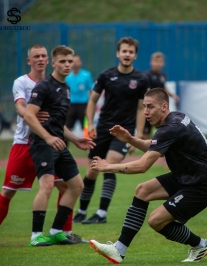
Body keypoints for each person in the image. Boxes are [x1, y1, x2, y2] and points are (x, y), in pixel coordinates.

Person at [88, 88, 207, 263]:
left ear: (164, 106)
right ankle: (118, 249)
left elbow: (142, 166)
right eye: (144, 107)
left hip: (204, 183)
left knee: (156, 221)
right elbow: (155, 145)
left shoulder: (170, 128)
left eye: (150, 107)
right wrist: (130, 139)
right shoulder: (176, 118)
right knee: (143, 190)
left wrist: (107, 167)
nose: (146, 112)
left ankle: (200, 245)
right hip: (189, 175)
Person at [0, 44, 83, 248]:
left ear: (48, 61)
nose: (40, 59)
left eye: (43, 56)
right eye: (36, 56)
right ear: (29, 61)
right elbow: (21, 108)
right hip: (26, 143)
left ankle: (63, 232)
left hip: (51, 141)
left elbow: (57, 122)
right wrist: (32, 115)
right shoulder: (23, 82)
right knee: (8, 190)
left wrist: (75, 139)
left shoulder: (60, 85)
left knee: (66, 186)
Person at [73, 37, 150, 224]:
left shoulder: (141, 79)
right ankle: (82, 211)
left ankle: (101, 214)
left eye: (131, 52)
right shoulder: (106, 75)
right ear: (118, 53)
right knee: (92, 171)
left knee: (109, 165)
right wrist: (90, 124)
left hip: (124, 132)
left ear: (135, 56)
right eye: (124, 51)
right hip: (102, 128)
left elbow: (141, 108)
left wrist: (138, 135)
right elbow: (92, 100)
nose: (127, 54)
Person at [24, 45, 95, 246]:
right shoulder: (44, 86)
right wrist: (47, 137)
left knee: (76, 186)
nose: (66, 65)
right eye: (62, 61)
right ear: (53, 63)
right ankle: (36, 236)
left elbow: (58, 124)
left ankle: (56, 231)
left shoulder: (66, 87)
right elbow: (29, 116)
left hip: (59, 143)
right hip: (42, 144)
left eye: (69, 61)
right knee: (46, 186)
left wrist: (75, 139)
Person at [143, 52, 179, 139]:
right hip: (149, 108)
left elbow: (163, 88)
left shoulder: (163, 75)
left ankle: (161, 149)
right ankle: (148, 150)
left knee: (164, 130)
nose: (158, 63)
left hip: (159, 108)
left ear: (163, 63)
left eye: (160, 61)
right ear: (151, 62)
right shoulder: (147, 75)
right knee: (145, 134)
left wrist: (173, 95)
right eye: (156, 61)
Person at [65, 55, 93, 134]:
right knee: (67, 128)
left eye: (77, 61)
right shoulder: (67, 76)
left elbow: (91, 90)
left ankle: (90, 145)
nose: (75, 63)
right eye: (73, 61)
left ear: (81, 62)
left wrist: (90, 106)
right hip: (71, 105)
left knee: (87, 129)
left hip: (83, 105)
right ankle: (63, 146)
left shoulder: (86, 75)